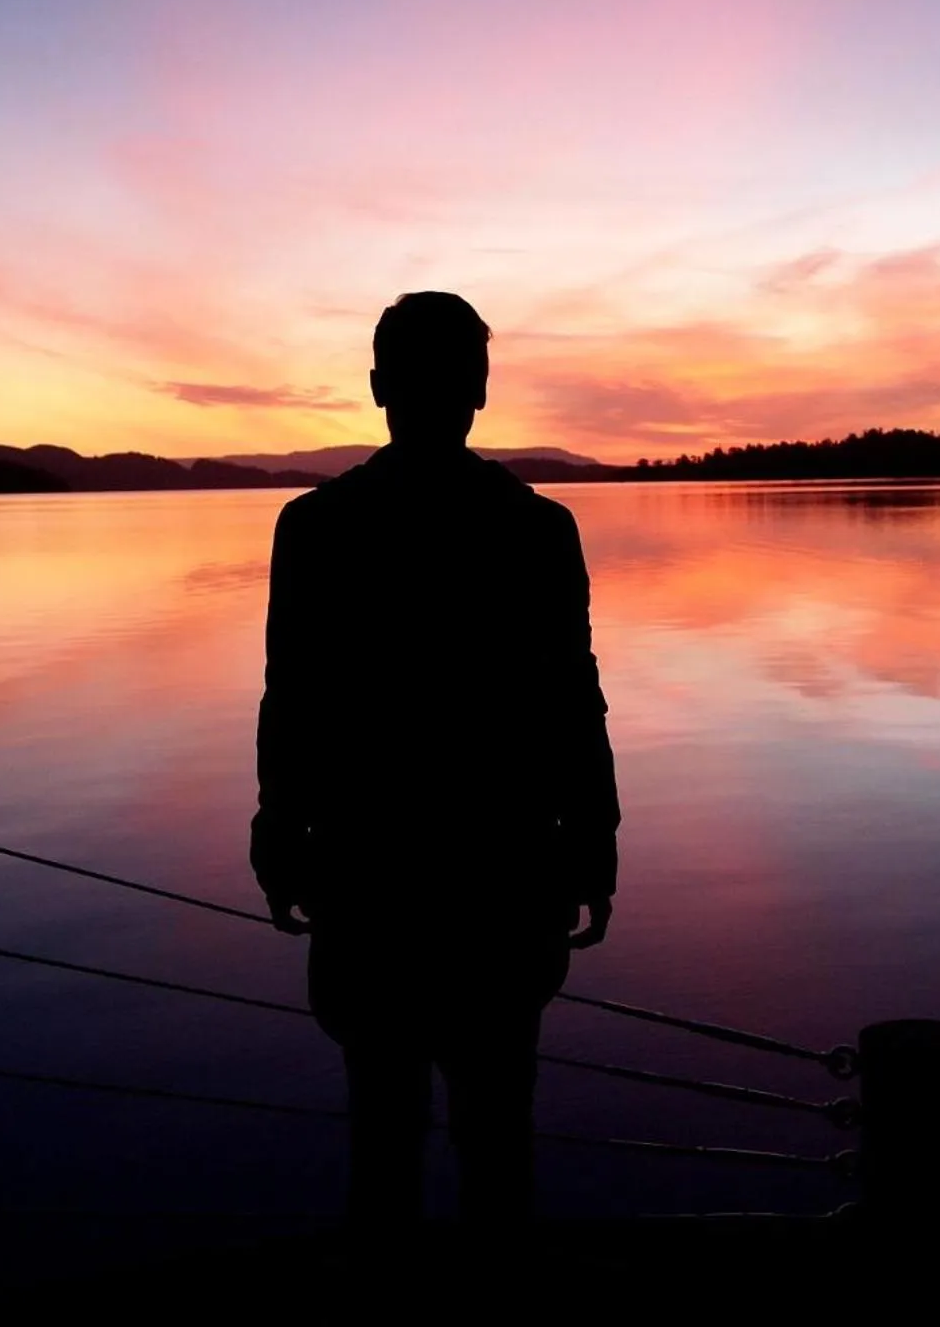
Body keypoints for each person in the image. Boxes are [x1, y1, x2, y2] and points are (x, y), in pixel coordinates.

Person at [251, 290, 621, 1225]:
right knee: (498, 1136)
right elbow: (573, 703)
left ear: (379, 388)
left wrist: (279, 833)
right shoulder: (538, 530)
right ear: (481, 390)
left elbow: (290, 702)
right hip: (501, 878)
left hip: (369, 875)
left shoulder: (316, 528)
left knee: (383, 1134)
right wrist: (593, 842)